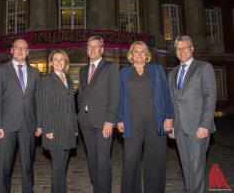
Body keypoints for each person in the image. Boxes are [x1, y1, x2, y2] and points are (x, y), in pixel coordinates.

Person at [117, 41, 174, 193]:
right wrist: (120, 118)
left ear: (147, 55)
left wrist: (169, 116)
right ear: (131, 55)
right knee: (130, 159)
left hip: (156, 121)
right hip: (132, 121)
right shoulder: (123, 73)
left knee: (155, 159)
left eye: (142, 51)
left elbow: (166, 94)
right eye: (136, 51)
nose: (139, 54)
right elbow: (120, 97)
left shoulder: (157, 70)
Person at [0, 39, 41, 193]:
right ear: (11, 50)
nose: (20, 50)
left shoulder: (35, 73)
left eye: (24, 48)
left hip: (28, 125)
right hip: (5, 126)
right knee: (4, 168)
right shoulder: (1, 70)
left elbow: (37, 100)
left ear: (28, 52)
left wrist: (39, 124)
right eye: (17, 48)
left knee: (27, 166)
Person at [168, 35, 217, 193]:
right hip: (180, 126)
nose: (181, 51)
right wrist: (172, 125)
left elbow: (210, 97)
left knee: (196, 168)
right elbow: (173, 100)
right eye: (178, 48)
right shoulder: (173, 73)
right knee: (187, 167)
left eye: (185, 47)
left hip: (198, 127)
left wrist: (205, 124)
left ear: (192, 49)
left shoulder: (204, 67)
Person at [77, 36, 119, 193]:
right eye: (89, 46)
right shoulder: (82, 70)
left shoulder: (110, 67)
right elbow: (81, 95)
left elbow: (114, 96)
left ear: (102, 49)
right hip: (85, 121)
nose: (92, 49)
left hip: (103, 123)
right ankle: (97, 188)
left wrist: (110, 121)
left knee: (103, 160)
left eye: (96, 46)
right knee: (92, 159)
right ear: (87, 49)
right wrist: (80, 114)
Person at [37, 49, 78, 193]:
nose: (59, 62)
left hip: (68, 128)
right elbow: (44, 105)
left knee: (62, 166)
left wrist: (75, 128)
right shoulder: (46, 80)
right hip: (54, 128)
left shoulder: (69, 80)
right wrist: (47, 129)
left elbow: (71, 106)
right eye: (56, 59)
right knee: (58, 166)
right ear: (51, 63)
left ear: (66, 62)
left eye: (62, 59)